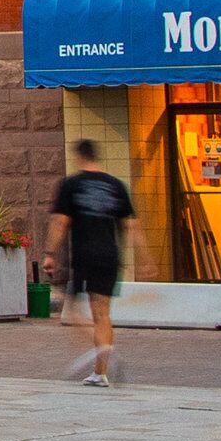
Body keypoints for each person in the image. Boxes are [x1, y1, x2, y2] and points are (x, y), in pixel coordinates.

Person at [49, 138, 139, 387]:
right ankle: (100, 372)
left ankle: (104, 351)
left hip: (85, 254)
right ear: (96, 156)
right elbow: (131, 225)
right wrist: (146, 260)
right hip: (110, 255)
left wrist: (49, 253)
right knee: (103, 314)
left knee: (73, 312)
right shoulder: (115, 185)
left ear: (79, 157)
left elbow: (60, 222)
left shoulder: (72, 185)